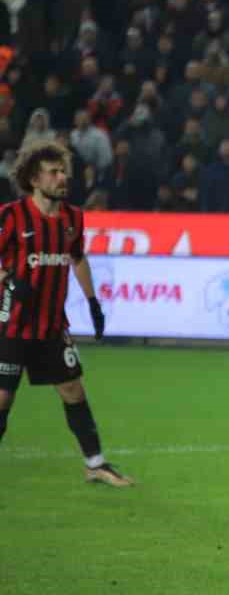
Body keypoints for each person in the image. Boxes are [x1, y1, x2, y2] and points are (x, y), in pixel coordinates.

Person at [0, 142, 131, 487]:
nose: (62, 178)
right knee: (3, 398)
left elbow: (77, 257)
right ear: (33, 178)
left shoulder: (73, 217)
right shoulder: (11, 216)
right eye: (54, 172)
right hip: (11, 324)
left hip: (52, 325)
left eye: (63, 172)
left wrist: (93, 303)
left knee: (73, 389)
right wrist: (11, 280)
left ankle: (96, 464)